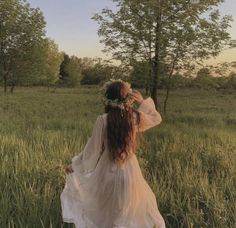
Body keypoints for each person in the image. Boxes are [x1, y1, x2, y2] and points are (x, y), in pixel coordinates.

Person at [60, 79, 166, 228]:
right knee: (127, 211)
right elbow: (156, 118)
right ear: (127, 99)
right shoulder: (134, 117)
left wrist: (75, 165)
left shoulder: (103, 120)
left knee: (107, 211)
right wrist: (143, 101)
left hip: (107, 170)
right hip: (130, 171)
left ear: (107, 99)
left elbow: (92, 149)